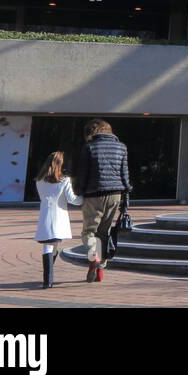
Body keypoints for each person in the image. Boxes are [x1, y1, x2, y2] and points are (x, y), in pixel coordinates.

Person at [72, 119, 130, 283]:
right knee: (104, 233)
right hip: (115, 194)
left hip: (93, 194)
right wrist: (126, 196)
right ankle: (100, 271)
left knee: (88, 232)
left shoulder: (89, 147)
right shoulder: (121, 147)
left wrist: (79, 192)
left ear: (91, 131)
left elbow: (83, 173)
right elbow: (125, 175)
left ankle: (94, 257)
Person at [34, 151, 82, 289]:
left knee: (50, 245)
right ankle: (47, 279)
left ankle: (47, 278)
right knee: (51, 245)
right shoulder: (64, 180)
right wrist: (86, 199)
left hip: (45, 214)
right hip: (59, 215)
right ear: (60, 164)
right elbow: (73, 199)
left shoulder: (39, 181)